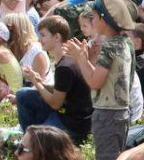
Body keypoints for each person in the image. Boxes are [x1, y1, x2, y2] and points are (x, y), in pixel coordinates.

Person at [62, 0, 135, 160]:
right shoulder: (122, 42)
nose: (91, 21)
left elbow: (95, 82)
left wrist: (80, 58)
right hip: (118, 113)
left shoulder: (110, 46)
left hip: (108, 114)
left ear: (104, 19)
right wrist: (88, 58)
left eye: (93, 17)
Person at [16, 16, 94, 145]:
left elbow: (55, 104)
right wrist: (41, 83)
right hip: (66, 114)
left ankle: (33, 141)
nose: (39, 39)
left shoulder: (65, 66)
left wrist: (35, 82)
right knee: (23, 94)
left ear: (57, 37)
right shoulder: (67, 58)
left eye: (43, 35)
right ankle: (31, 135)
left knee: (36, 142)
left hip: (73, 125)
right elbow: (63, 89)